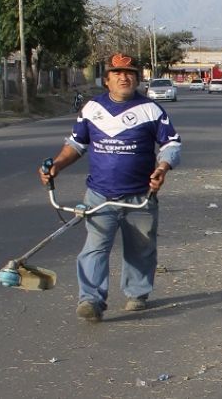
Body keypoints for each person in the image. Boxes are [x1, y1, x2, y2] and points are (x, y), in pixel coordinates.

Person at [38, 53, 181, 322]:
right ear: (107, 81)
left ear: (137, 79)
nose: (123, 77)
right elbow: (77, 144)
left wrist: (162, 168)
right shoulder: (92, 109)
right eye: (117, 73)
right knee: (94, 248)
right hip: (99, 195)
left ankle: (137, 293)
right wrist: (57, 165)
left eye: (129, 73)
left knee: (141, 248)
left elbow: (171, 144)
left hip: (140, 195)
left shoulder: (151, 110)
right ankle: (91, 299)